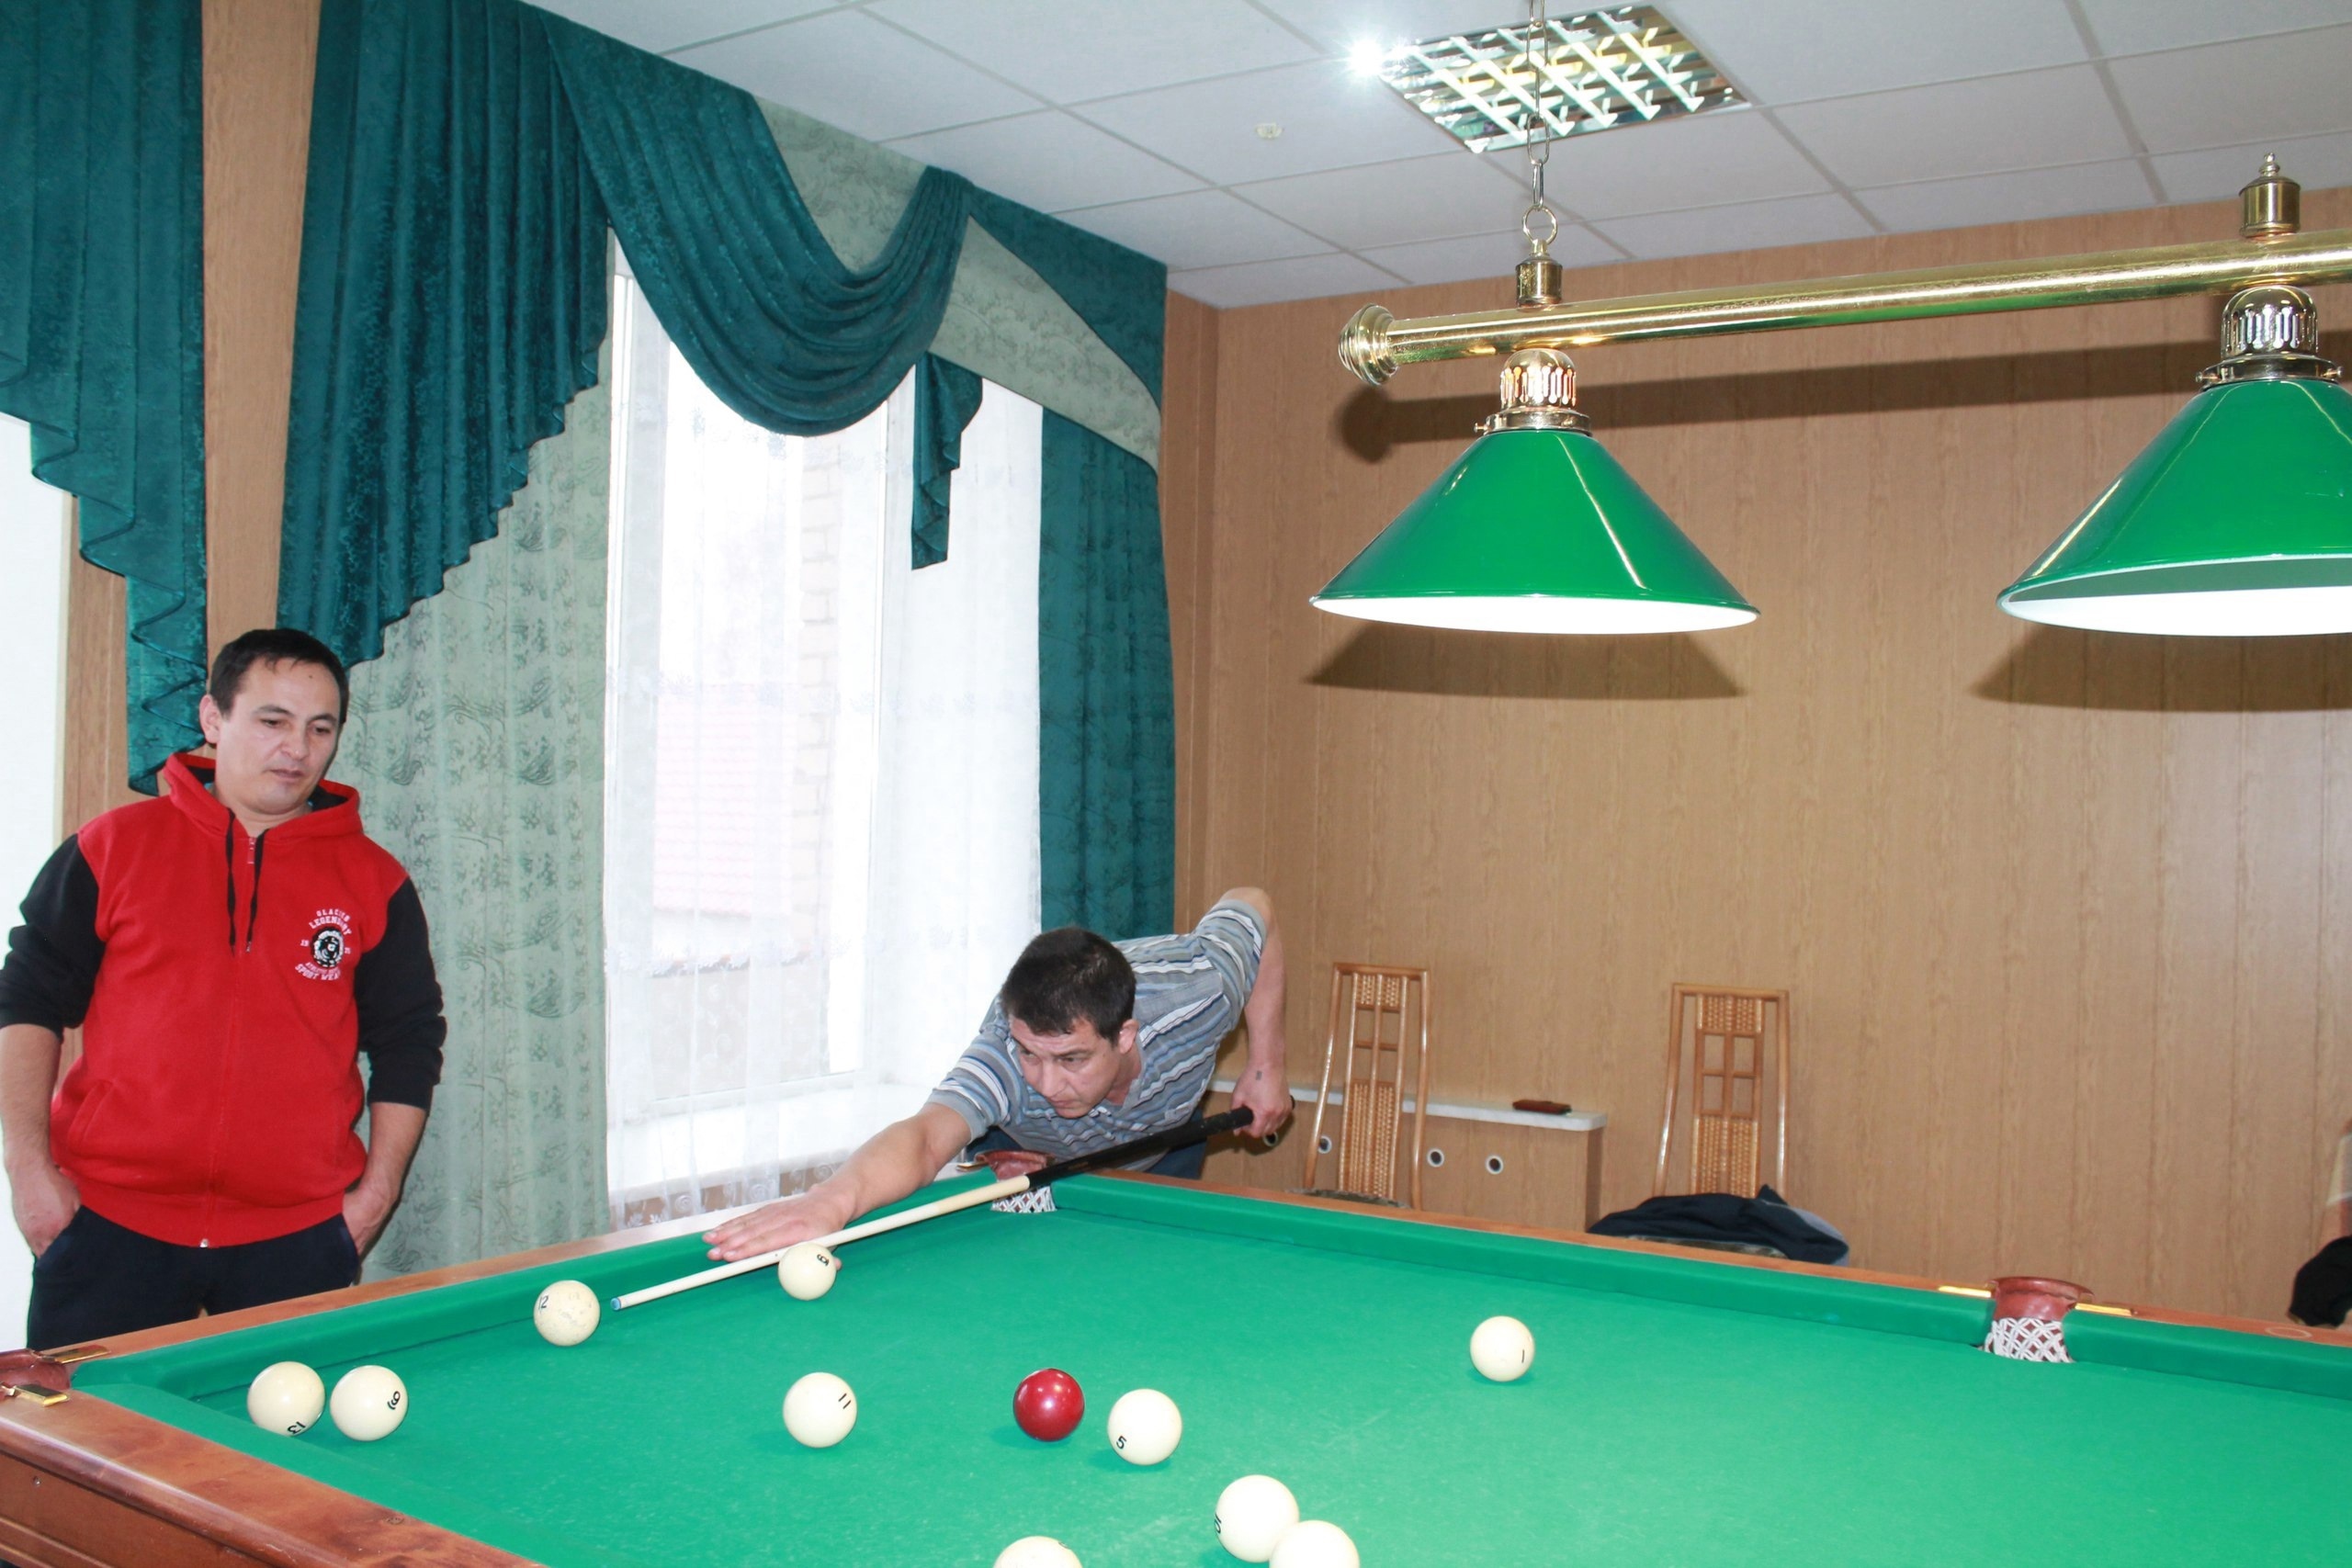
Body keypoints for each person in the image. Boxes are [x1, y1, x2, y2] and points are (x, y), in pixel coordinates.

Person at [0, 629, 446, 1348]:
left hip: (298, 1237)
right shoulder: (111, 847)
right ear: (213, 718)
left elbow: (409, 1039)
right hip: (108, 1226)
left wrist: (377, 1194)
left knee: (289, 1426)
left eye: (320, 728)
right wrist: (27, 1170)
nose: (297, 749)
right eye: (273, 720)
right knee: (89, 1424)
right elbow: (26, 1002)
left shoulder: (375, 880)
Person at [706, 888, 1290, 1261]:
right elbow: (926, 1136)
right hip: (1035, 1164)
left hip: (1161, 1148)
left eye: (1071, 1059)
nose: (1046, 1084)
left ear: (1125, 1036)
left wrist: (1267, 1063)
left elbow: (1254, 905)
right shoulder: (1006, 1057)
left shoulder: (1200, 989)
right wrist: (829, 1201)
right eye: (1032, 1054)